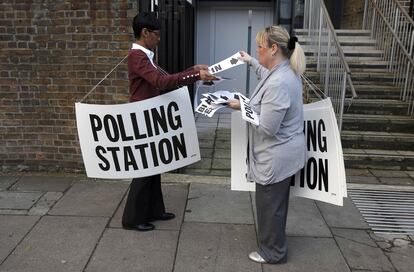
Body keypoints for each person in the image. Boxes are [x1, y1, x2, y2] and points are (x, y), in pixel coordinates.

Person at [122, 12, 217, 232]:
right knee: (145, 170)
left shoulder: (146, 55)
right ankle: (132, 219)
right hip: (142, 117)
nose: (159, 38)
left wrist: (192, 71)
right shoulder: (138, 56)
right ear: (145, 32)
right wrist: (195, 76)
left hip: (151, 115)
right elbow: (161, 82)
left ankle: (154, 210)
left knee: (155, 167)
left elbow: (164, 77)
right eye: (156, 34)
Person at [228, 26, 306, 264]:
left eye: (259, 47)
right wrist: (250, 61)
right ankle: (275, 243)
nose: (257, 50)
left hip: (276, 155)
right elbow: (265, 74)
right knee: (275, 204)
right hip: (282, 152)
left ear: (274, 49)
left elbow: (268, 128)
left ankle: (273, 252)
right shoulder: (280, 71)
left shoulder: (280, 82)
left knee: (270, 205)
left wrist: (242, 107)